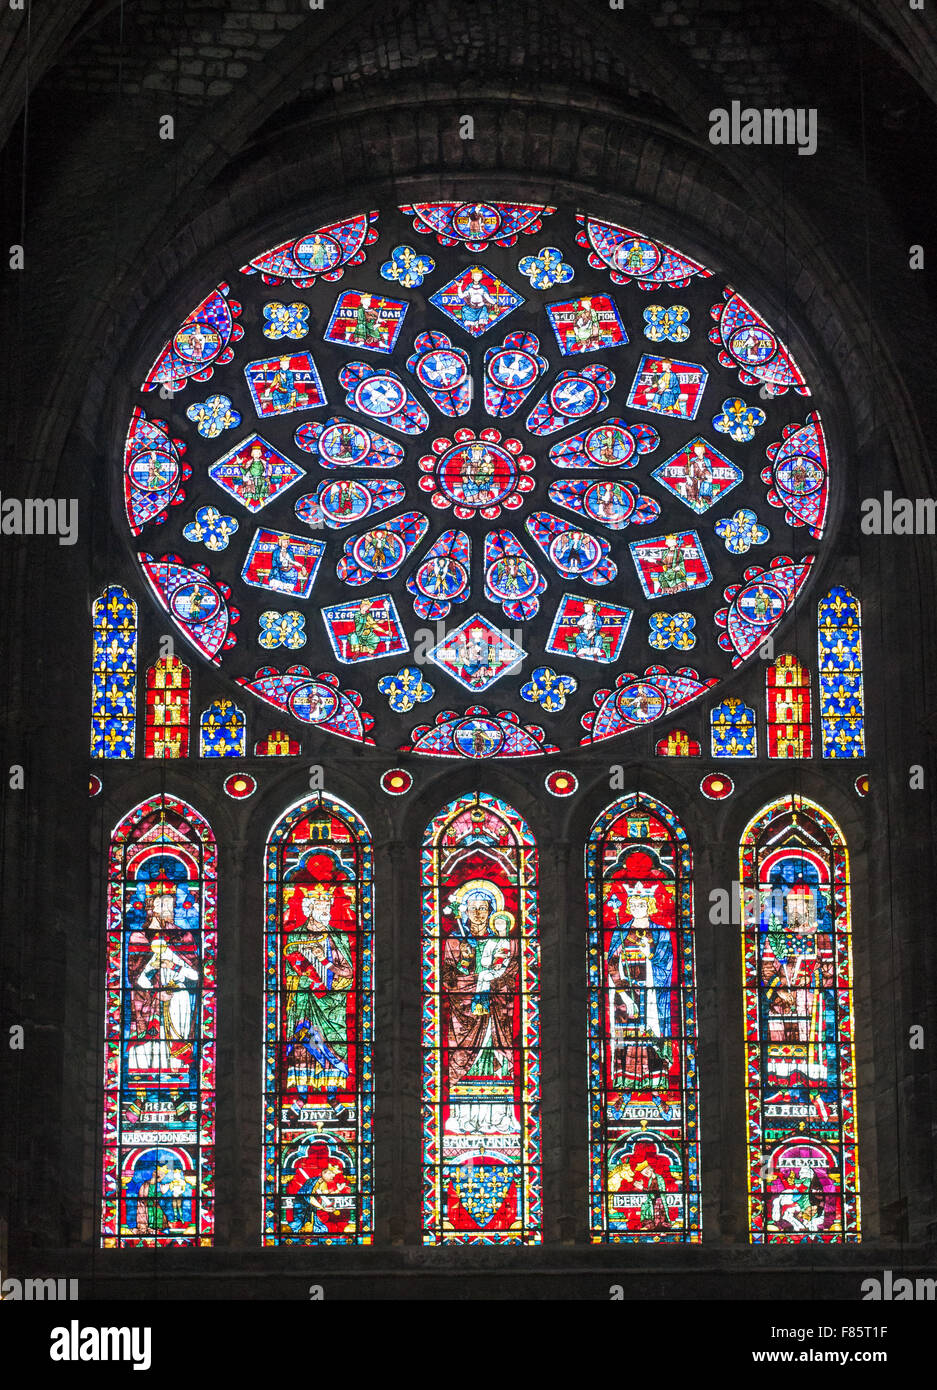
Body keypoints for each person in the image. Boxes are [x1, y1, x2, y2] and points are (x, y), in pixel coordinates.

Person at [606, 883, 673, 1090]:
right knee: (627, 1036)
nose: (637, 909)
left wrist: (649, 955)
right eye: (633, 905)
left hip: (651, 992)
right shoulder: (621, 932)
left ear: (650, 906)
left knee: (650, 1034)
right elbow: (612, 963)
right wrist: (622, 991)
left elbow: (667, 964)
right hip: (624, 996)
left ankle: (654, 1081)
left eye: (641, 905)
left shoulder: (661, 932)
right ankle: (625, 1081)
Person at [456, 267, 498, 331]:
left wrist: (494, 303)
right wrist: (459, 286)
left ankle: (481, 325)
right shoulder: (469, 287)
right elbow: (461, 296)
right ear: (472, 277)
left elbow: (487, 298)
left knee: (484, 310)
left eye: (478, 275)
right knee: (465, 309)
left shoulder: (483, 288)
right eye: (475, 275)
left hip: (481, 307)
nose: (477, 277)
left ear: (481, 277)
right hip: (471, 306)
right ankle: (471, 326)